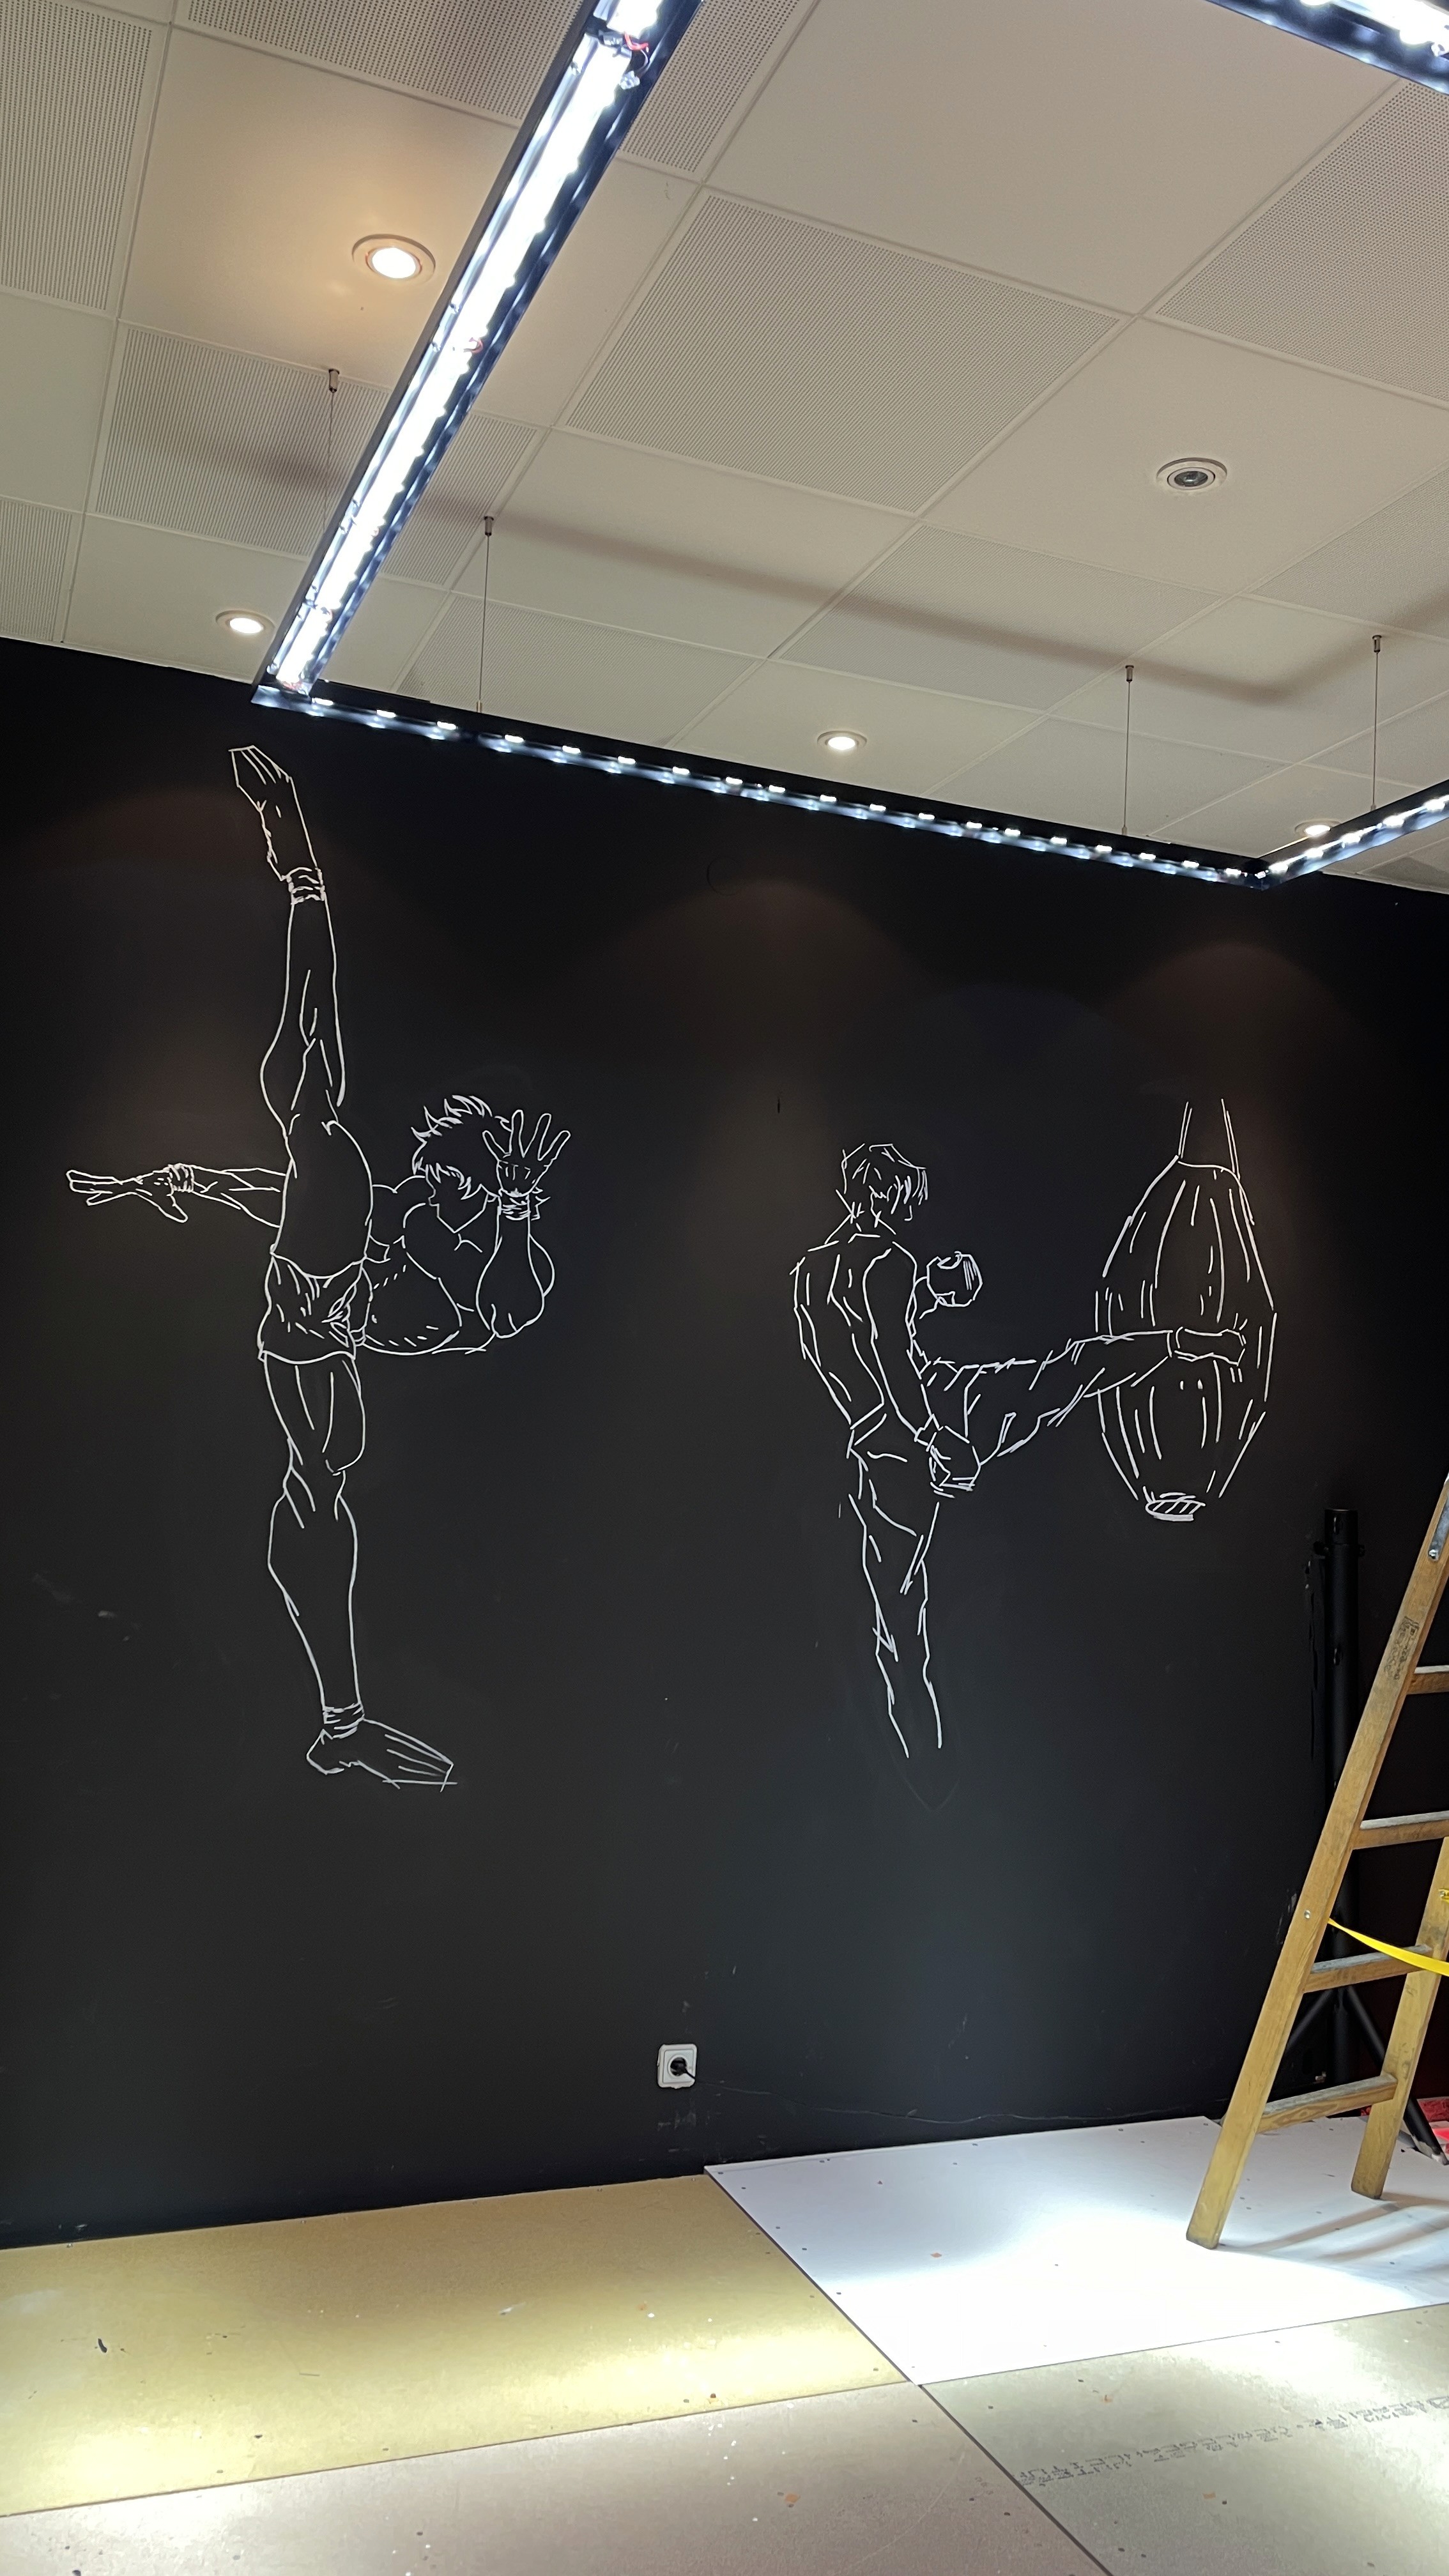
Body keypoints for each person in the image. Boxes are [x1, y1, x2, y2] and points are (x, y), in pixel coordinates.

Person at [68, 748, 567, 1791]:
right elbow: (285, 1147)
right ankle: (342, 1722)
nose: (443, 1184)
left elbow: (510, 1305)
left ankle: (343, 1724)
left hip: (344, 1325)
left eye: (464, 1184)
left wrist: (515, 1210)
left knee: (325, 1468)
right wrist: (165, 1183)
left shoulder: (475, 1254)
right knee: (313, 1109)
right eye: (448, 1174)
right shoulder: (372, 1193)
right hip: (319, 1320)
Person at [793, 1144, 1242, 1804]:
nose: (914, 1208)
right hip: (932, 1417)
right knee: (1069, 1372)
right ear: (887, 1196)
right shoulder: (889, 1262)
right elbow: (891, 1358)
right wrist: (935, 1437)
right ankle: (1178, 1343)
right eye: (907, 1195)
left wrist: (933, 1292)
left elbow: (852, 1351)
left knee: (897, 1618)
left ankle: (925, 1771)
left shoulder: (811, 1273)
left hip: (877, 1445)